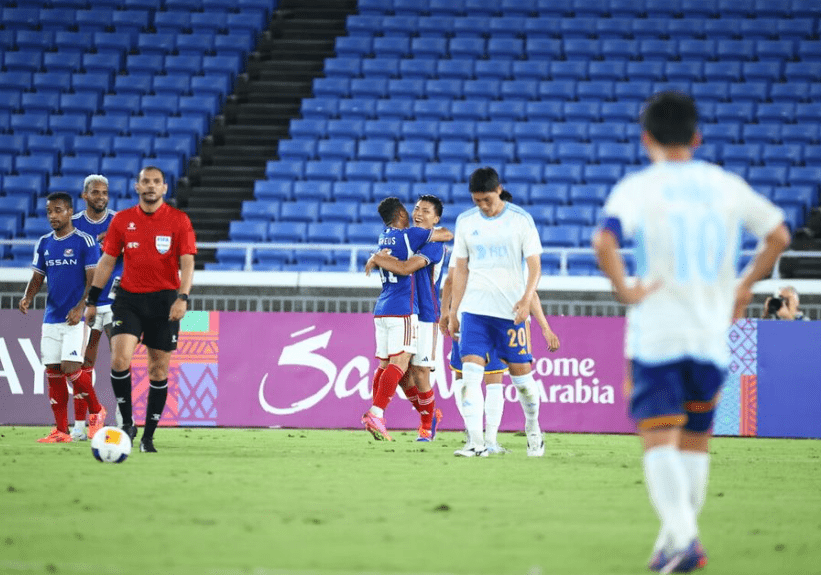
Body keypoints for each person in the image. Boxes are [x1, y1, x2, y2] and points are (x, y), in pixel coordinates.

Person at [593, 91, 790, 573]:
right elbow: (779, 236)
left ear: (646, 140)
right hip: (710, 335)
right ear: (697, 137)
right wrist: (744, 287)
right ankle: (672, 544)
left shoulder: (640, 186)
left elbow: (604, 238)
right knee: (697, 439)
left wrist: (625, 290)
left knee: (659, 437)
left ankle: (683, 539)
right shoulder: (725, 185)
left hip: (658, 333)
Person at [84, 166, 196, 453]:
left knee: (158, 371)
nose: (150, 186)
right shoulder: (123, 220)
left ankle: (148, 437)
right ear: (137, 187)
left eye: (156, 182)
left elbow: (187, 262)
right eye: (145, 181)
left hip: (165, 301)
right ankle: (128, 424)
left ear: (164, 188)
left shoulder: (178, 220)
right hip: (129, 299)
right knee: (120, 360)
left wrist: (182, 297)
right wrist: (92, 300)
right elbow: (107, 261)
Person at [439, 191, 560, 454]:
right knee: (470, 376)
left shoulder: (516, 239)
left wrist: (544, 326)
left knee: (522, 385)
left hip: (509, 317)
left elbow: (531, 292)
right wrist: (452, 312)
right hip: (475, 315)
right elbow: (452, 278)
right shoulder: (469, 234)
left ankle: (532, 428)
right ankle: (477, 442)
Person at [18, 192, 107, 443]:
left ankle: (97, 410)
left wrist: (81, 306)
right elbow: (38, 276)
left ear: (70, 212)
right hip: (51, 318)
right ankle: (61, 431)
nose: (53, 216)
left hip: (75, 319)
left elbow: (93, 278)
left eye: (58, 210)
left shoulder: (84, 241)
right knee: (53, 371)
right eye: (49, 212)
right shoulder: (45, 242)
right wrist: (28, 297)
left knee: (71, 369)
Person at [361, 197, 452, 441]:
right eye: (416, 209)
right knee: (402, 375)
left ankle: (426, 424)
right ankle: (428, 415)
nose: (419, 213)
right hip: (407, 312)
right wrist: (380, 257)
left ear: (436, 219)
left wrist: (378, 257)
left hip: (426, 314)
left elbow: (406, 266)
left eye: (426, 211)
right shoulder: (410, 238)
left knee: (420, 373)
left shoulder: (433, 245)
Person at [69, 174, 124, 440]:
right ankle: (81, 423)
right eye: (95, 192)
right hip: (87, 305)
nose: (101, 196)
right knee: (82, 364)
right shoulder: (74, 225)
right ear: (85, 195)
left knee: (120, 361)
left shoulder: (120, 222)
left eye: (104, 192)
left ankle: (123, 421)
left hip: (115, 303)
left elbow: (135, 254)